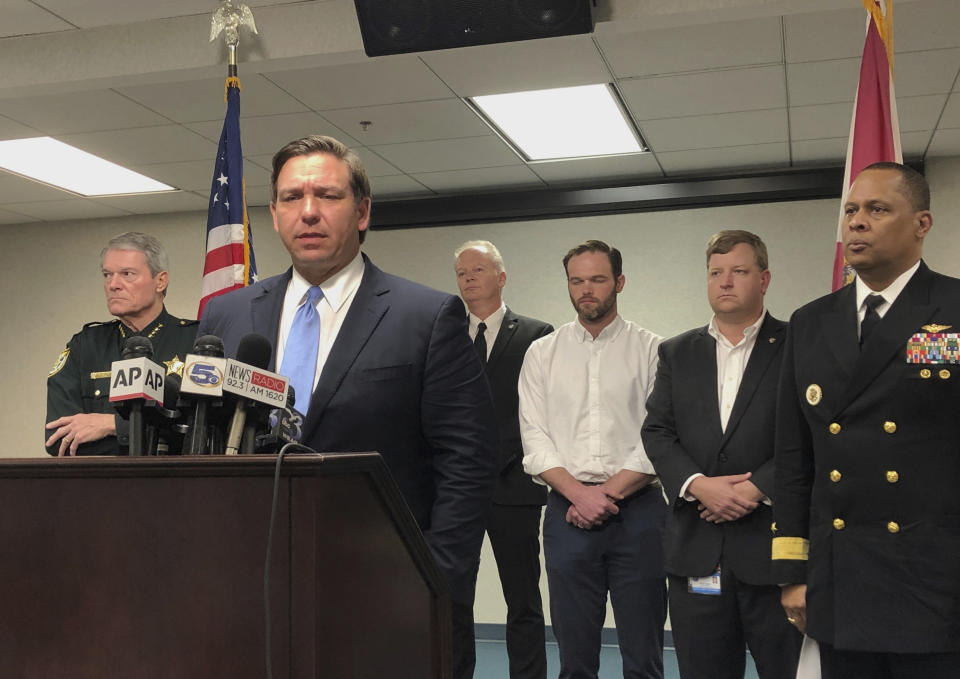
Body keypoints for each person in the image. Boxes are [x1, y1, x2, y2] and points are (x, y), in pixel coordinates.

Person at [198, 135, 498, 679]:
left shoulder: (426, 317)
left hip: (386, 591)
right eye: (292, 198)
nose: (308, 212)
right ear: (273, 214)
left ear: (361, 213)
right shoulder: (227, 315)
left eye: (327, 196)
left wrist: (433, 576)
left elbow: (468, 460)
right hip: (252, 590)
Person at [773, 162, 960, 678]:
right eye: (851, 210)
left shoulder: (953, 309)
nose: (856, 222)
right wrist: (792, 571)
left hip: (935, 578)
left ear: (922, 223)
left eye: (877, 209)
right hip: (842, 576)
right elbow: (794, 459)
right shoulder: (811, 321)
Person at [642, 230, 801, 679]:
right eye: (716, 273)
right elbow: (657, 431)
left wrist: (758, 486)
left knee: (786, 668)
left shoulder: (798, 345)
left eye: (739, 271)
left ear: (764, 278)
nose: (725, 282)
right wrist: (698, 486)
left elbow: (811, 436)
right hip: (697, 549)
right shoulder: (677, 351)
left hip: (774, 550)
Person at [518, 240, 666, 679]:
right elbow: (534, 438)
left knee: (644, 654)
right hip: (566, 515)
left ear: (619, 282)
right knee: (575, 655)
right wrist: (579, 495)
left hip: (639, 515)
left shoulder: (654, 351)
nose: (587, 290)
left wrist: (604, 494)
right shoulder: (542, 354)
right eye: (577, 281)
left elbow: (658, 437)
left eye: (597, 279)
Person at [454, 240, 552, 679]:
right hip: (456, 491)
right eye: (461, 272)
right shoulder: (444, 335)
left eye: (477, 269)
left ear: (501, 276)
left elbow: (543, 411)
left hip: (515, 484)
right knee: (453, 596)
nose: (469, 278)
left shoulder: (537, 335)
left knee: (523, 599)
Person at [45, 232, 198, 456]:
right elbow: (58, 439)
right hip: (100, 485)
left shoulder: (195, 341)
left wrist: (111, 425)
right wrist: (153, 437)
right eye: (107, 275)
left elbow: (199, 435)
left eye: (127, 274)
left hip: (175, 486)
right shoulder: (86, 345)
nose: (113, 284)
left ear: (160, 281)